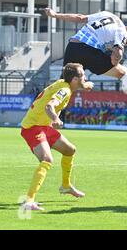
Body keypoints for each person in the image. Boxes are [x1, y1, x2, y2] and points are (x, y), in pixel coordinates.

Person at [44, 8, 127, 117]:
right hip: (89, 50)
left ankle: (46, 113)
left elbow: (80, 17)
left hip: (73, 46)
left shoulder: (108, 14)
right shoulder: (123, 31)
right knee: (122, 72)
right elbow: (117, 54)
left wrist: (55, 15)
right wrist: (115, 58)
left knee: (64, 85)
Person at [20, 63, 94, 211]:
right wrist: (55, 119)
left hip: (44, 125)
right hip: (33, 127)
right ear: (74, 79)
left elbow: (74, 84)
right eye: (82, 75)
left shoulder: (65, 84)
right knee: (47, 159)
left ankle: (66, 186)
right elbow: (49, 106)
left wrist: (84, 85)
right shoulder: (65, 90)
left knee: (69, 150)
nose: (85, 77)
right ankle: (28, 201)